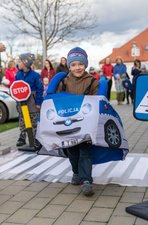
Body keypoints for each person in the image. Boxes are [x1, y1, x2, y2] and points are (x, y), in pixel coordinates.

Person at [56, 47, 99, 196]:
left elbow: (98, 99)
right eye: (73, 64)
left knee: (85, 152)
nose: (77, 67)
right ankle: (76, 172)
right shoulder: (63, 81)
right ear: (69, 66)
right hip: (68, 122)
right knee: (72, 152)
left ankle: (86, 180)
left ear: (85, 64)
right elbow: (56, 99)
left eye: (80, 64)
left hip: (86, 122)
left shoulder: (92, 81)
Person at [15, 53, 44, 147]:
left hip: (32, 101)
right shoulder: (18, 75)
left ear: (25, 62)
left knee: (33, 121)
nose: (18, 63)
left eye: (20, 61)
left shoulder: (35, 75)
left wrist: (38, 103)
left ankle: (36, 139)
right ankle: (22, 138)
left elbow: (40, 89)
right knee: (22, 120)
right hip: (21, 101)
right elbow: (15, 88)